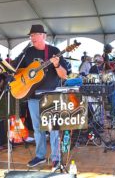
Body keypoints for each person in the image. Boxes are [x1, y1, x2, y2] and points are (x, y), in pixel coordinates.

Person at [13, 24, 68, 171]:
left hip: (51, 96)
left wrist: (56, 65)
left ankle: (56, 158)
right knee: (37, 129)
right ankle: (40, 155)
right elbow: (15, 69)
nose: (32, 38)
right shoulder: (27, 52)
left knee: (54, 129)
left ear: (44, 36)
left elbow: (64, 75)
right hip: (33, 96)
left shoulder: (54, 51)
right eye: (31, 35)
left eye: (35, 35)